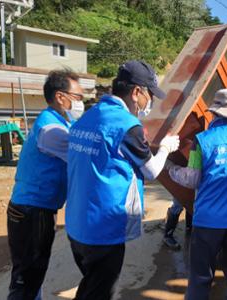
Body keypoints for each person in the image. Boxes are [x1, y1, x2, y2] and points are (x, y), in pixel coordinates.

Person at [65, 60, 180, 299]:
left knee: (90, 285)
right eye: (150, 95)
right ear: (136, 92)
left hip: (77, 225)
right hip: (103, 230)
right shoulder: (128, 126)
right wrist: (166, 148)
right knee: (100, 292)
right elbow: (151, 171)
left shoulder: (88, 116)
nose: (150, 103)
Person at [168, 89, 227, 300]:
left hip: (209, 222)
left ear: (214, 113)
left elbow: (191, 180)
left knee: (201, 278)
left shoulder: (202, 141)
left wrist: (170, 168)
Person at [7, 69, 84, 299]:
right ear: (61, 97)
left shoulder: (57, 121)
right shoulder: (52, 130)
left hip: (34, 208)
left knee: (32, 274)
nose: (81, 103)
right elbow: (84, 157)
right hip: (33, 211)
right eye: (78, 97)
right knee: (27, 278)